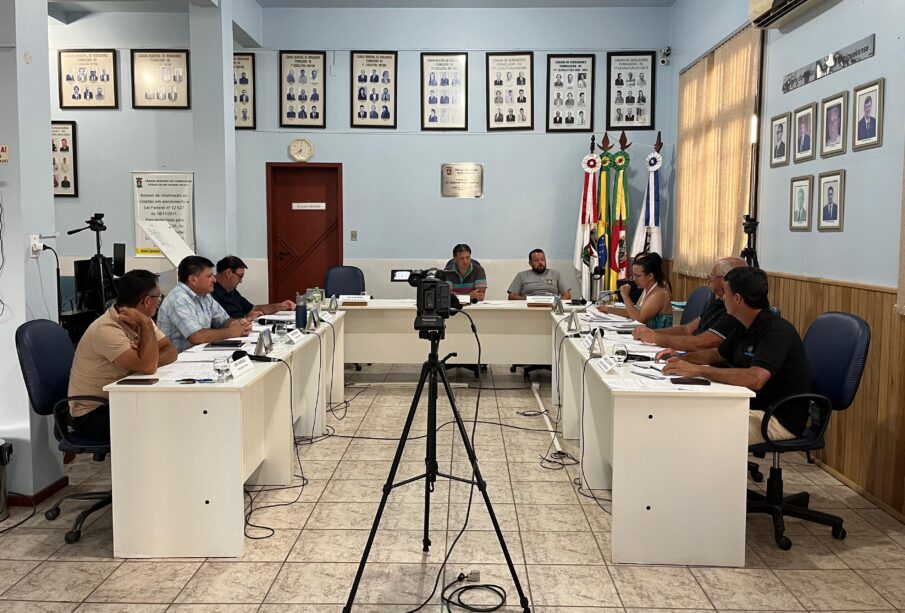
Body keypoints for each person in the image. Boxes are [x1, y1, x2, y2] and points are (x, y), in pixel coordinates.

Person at [662, 267, 810, 445]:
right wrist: (682, 359)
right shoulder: (745, 324)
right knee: (685, 415)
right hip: (748, 405)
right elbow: (717, 355)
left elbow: (755, 378)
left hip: (776, 418)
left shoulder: (776, 331)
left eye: (726, 293)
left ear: (738, 298)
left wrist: (698, 370)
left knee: (699, 433)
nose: (723, 297)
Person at [68, 270, 178, 440]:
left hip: (121, 400)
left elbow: (171, 350)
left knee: (173, 411)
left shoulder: (142, 319)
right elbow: (149, 367)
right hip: (92, 413)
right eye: (158, 297)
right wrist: (146, 354)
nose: (159, 301)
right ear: (146, 300)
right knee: (164, 424)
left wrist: (145, 356)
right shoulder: (107, 329)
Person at [634, 257, 746, 355]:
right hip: (693, 354)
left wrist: (656, 338)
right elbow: (687, 329)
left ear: (723, 280)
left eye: (712, 276)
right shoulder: (718, 302)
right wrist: (649, 333)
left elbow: (701, 343)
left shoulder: (734, 311)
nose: (710, 280)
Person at [157, 255, 253, 352]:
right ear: (193, 280)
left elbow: (224, 321)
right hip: (179, 359)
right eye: (209, 276)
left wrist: (239, 324)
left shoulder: (205, 295)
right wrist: (231, 332)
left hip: (198, 354)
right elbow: (196, 336)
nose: (214, 280)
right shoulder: (178, 299)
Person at [599, 253, 672, 328]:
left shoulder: (658, 294)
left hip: (658, 335)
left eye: (638, 276)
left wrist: (625, 296)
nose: (634, 279)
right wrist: (609, 309)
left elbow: (639, 319)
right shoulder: (647, 289)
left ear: (650, 276)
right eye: (634, 275)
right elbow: (634, 312)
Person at [212, 256, 295, 319]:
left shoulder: (231, 290)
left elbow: (253, 309)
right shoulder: (211, 292)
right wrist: (247, 319)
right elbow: (221, 324)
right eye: (240, 276)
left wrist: (280, 306)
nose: (241, 281)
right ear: (229, 273)